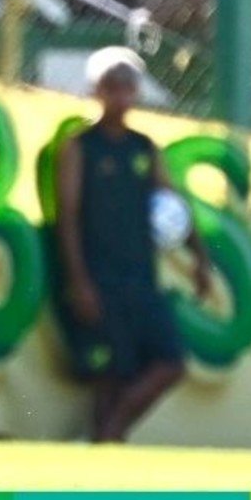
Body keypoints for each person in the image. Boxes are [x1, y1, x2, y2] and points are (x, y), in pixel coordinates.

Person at [54, 48, 212, 443]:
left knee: (171, 361)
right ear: (97, 90)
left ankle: (110, 432)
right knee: (109, 374)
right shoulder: (80, 147)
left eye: (128, 88)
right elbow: (67, 217)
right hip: (99, 277)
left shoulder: (143, 148)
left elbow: (174, 206)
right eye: (112, 87)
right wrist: (79, 281)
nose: (121, 96)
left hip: (141, 276)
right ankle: (106, 444)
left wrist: (200, 258)